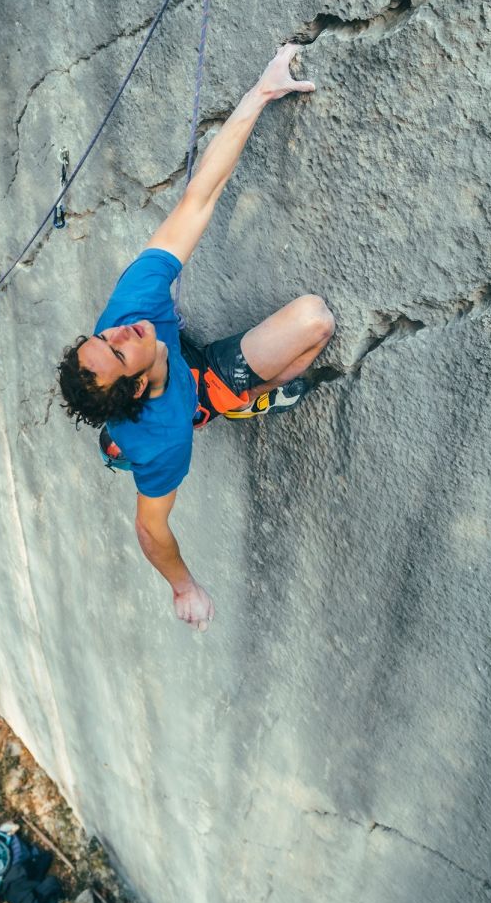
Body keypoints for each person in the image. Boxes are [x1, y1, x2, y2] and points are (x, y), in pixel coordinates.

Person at [57, 44, 335, 633]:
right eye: (115, 350)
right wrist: (184, 587)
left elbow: (199, 197)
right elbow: (150, 529)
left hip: (187, 369)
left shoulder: (133, 308)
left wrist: (261, 91)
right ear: (131, 388)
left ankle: (241, 393)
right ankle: (239, 405)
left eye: (100, 336)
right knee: (309, 328)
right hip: (191, 401)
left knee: (314, 322)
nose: (118, 332)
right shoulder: (159, 446)